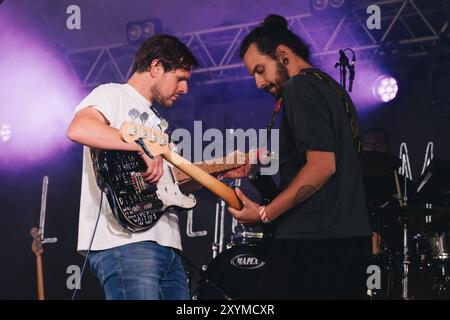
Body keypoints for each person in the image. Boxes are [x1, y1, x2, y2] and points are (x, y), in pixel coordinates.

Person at [225, 14, 372, 299]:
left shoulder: (299, 88)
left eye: (260, 70)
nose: (258, 83)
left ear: (282, 55)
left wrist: (264, 214)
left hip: (312, 244)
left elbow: (322, 167)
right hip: (346, 241)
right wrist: (254, 172)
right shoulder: (332, 88)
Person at [67, 34, 199, 300]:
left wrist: (223, 170)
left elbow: (172, 183)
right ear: (156, 67)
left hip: (169, 248)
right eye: (180, 78)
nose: (185, 88)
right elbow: (79, 128)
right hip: (126, 244)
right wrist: (143, 145)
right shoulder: (112, 94)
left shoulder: (158, 123)